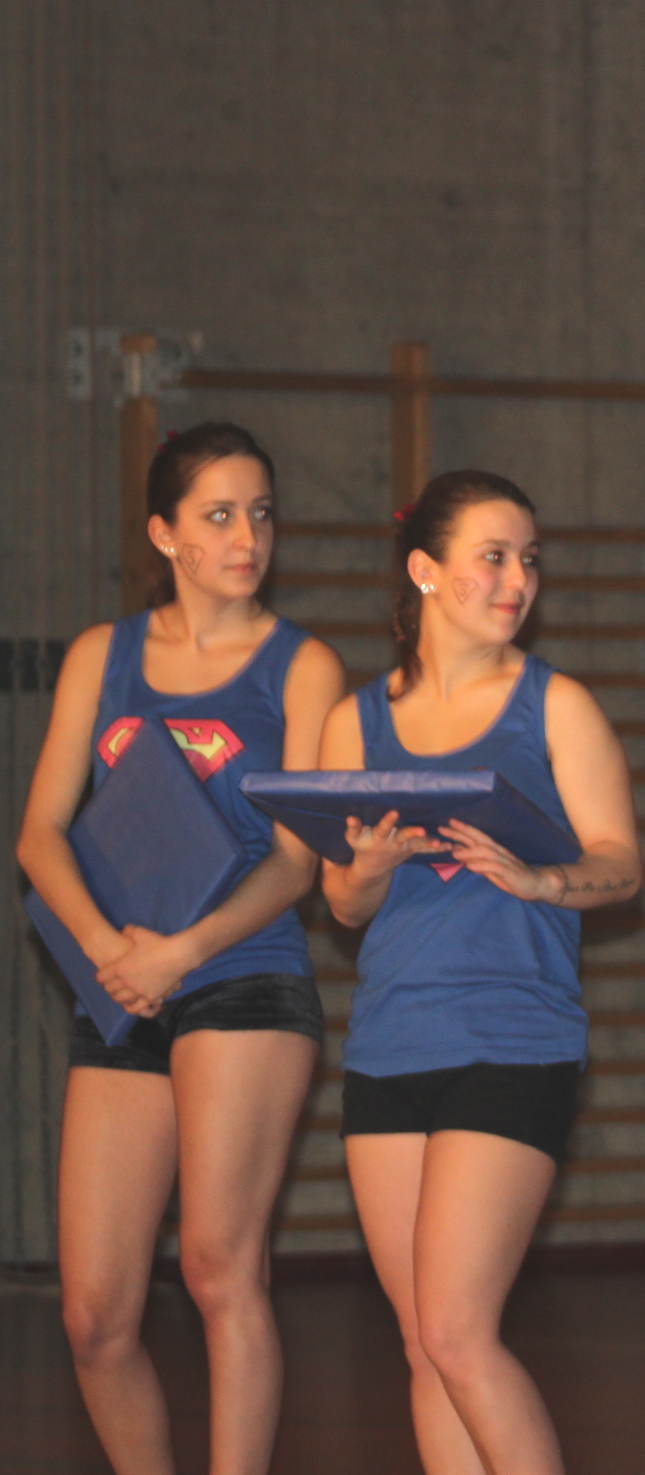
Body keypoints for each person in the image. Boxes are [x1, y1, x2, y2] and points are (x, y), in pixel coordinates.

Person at [15, 422, 345, 1475]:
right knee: (93, 1313)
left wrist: (183, 950)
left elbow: (296, 863)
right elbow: (38, 835)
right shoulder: (101, 657)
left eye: (262, 514)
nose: (247, 537)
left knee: (216, 1266)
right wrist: (111, 947)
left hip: (244, 978)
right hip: (123, 983)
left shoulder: (302, 666)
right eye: (219, 515)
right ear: (164, 534)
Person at [320, 470, 641, 1475]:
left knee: (459, 1331)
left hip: (512, 1040)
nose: (517, 580)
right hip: (389, 1047)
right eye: (493, 557)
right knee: (426, 1347)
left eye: (528, 560)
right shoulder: (353, 724)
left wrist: (544, 880)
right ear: (425, 570)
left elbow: (623, 865)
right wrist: (368, 869)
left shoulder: (556, 707)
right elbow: (343, 907)